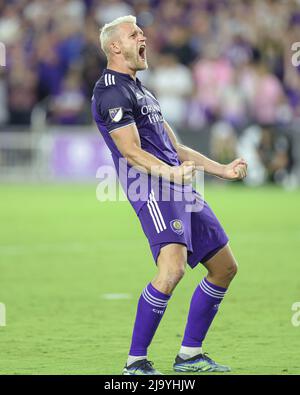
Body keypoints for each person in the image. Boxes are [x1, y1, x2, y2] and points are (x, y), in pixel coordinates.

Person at [91, 15, 248, 375]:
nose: (142, 37)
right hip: (151, 187)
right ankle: (135, 362)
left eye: (142, 32)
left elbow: (175, 148)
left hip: (177, 185)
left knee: (225, 268)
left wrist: (221, 169)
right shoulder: (110, 90)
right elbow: (131, 152)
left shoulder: (143, 91)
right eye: (134, 34)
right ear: (115, 46)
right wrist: (171, 174)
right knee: (172, 269)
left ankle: (190, 355)